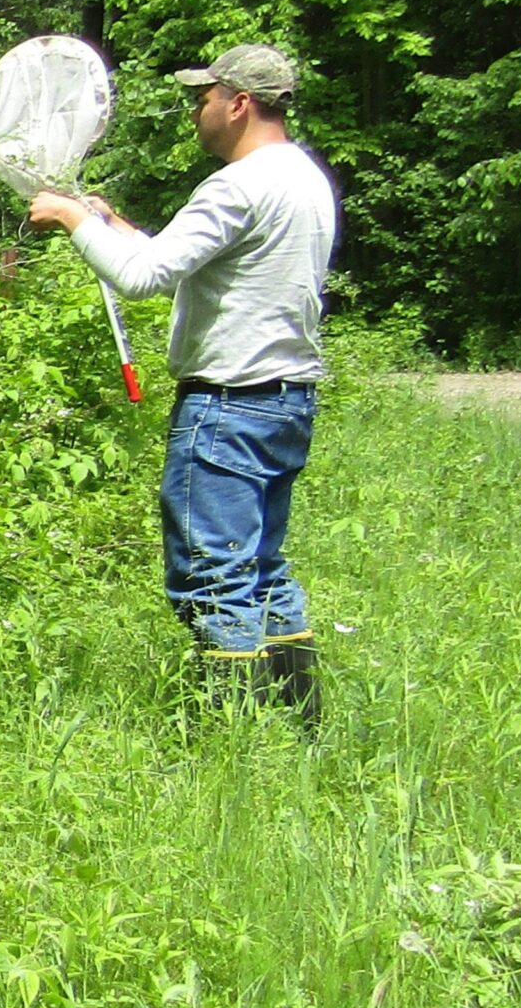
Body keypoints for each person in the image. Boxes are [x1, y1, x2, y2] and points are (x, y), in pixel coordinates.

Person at [27, 42, 339, 721]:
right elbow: (179, 261)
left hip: (227, 409)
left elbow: (141, 280)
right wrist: (115, 227)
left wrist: (73, 217)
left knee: (215, 575)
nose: (196, 112)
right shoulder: (303, 178)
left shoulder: (238, 183)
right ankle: (300, 723)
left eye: (202, 98)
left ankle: (233, 739)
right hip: (286, 404)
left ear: (240, 102)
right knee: (261, 568)